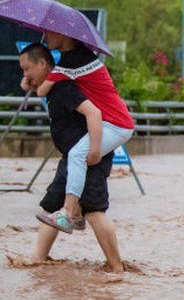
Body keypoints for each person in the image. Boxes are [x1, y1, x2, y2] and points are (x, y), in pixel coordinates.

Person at [18, 42, 125, 272]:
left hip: (87, 160)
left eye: (27, 69)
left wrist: (95, 152)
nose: (25, 74)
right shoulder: (53, 85)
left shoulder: (64, 87)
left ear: (43, 63)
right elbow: (40, 88)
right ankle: (38, 258)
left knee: (95, 211)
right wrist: (30, 84)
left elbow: (93, 114)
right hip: (71, 159)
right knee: (52, 206)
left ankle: (117, 269)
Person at [33, 31, 135, 233]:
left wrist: (95, 149)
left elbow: (41, 91)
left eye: (49, 32)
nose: (44, 37)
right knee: (78, 156)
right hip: (115, 121)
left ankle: (68, 213)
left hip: (115, 124)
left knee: (77, 154)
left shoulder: (71, 62)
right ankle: (77, 215)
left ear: (65, 34)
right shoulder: (82, 55)